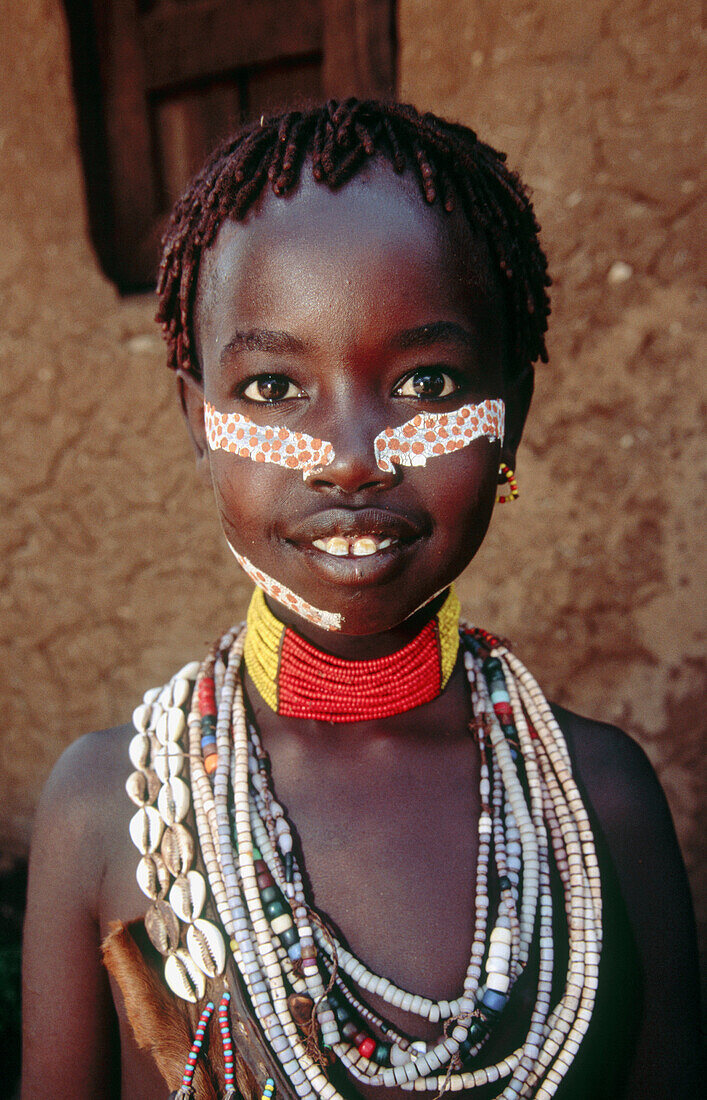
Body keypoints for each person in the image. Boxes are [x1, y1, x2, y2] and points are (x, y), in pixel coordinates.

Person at [21, 99, 700, 1100]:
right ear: (196, 415)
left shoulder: (599, 801)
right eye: (269, 388)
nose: (348, 456)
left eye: (426, 383)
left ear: (508, 413)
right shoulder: (104, 809)